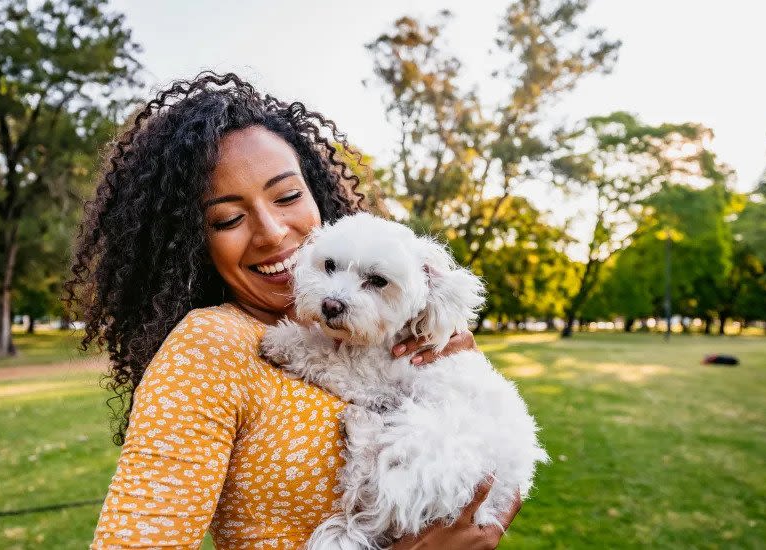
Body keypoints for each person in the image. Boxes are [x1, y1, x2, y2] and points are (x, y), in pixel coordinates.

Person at [67, 72, 521, 549]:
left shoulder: (387, 331)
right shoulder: (209, 347)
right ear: (190, 241)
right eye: (228, 218)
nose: (271, 232)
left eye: (287, 196)